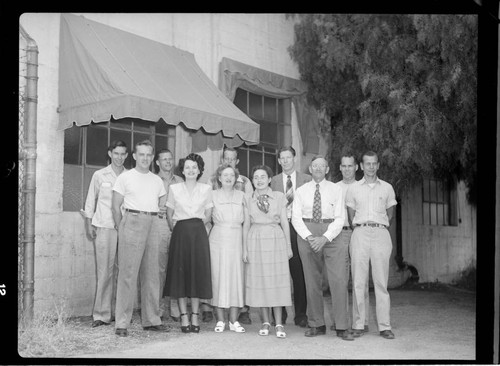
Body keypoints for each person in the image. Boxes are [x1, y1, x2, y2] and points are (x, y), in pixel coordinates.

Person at [291, 155, 354, 341]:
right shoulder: (301, 191)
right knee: (311, 281)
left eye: (322, 166)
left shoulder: (336, 190)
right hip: (307, 233)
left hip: (332, 233)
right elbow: (295, 217)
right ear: (310, 169)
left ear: (327, 170)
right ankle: (316, 324)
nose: (318, 168)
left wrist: (325, 237)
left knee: (339, 280)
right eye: (315, 166)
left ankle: (342, 326)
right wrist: (310, 236)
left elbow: (340, 217)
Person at [111, 140, 170, 337]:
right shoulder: (125, 177)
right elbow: (115, 206)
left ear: (152, 157)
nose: (145, 158)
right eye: (141, 154)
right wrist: (122, 228)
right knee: (128, 274)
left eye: (148, 155)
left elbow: (161, 202)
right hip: (132, 221)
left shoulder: (157, 181)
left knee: (152, 274)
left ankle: (151, 320)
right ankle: (122, 323)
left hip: (153, 223)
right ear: (135, 156)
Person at [346, 151, 397, 340]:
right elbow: (351, 215)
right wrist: (361, 226)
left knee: (381, 282)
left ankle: (385, 326)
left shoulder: (387, 188)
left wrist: (379, 225)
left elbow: (390, 213)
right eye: (367, 163)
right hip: (360, 233)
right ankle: (359, 324)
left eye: (374, 163)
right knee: (358, 281)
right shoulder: (354, 189)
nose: (371, 167)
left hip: (380, 233)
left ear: (378, 165)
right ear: (361, 165)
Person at [164, 153, 213, 333]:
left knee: (196, 275)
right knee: (181, 276)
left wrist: (199, 227)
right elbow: (169, 213)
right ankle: (184, 315)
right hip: (181, 233)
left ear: (199, 170)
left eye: (194, 167)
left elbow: (208, 214)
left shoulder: (206, 189)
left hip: (198, 232)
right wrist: (176, 229)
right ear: (183, 170)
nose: (191, 170)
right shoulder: (174, 188)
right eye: (188, 167)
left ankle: (195, 314)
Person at [82, 140, 128, 328]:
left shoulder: (130, 176)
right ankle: (101, 314)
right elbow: (90, 200)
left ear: (126, 156)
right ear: (110, 153)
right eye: (116, 153)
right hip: (104, 227)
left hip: (125, 229)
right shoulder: (99, 175)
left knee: (124, 272)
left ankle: (121, 313)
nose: (119, 157)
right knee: (105, 272)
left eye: (122, 154)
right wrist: (89, 223)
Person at [244, 165, 292, 338]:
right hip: (255, 239)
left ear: (270, 179)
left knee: (276, 281)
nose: (259, 180)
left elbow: (285, 223)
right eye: (255, 177)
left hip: (275, 238)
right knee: (261, 281)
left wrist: (288, 246)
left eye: (263, 177)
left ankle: (278, 323)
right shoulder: (248, 198)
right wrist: (245, 248)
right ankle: (265, 321)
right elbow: (246, 224)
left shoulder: (279, 197)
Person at [206, 146, 254, 325]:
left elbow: (247, 222)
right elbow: (205, 218)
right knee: (218, 277)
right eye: (225, 175)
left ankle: (234, 321)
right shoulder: (211, 194)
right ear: (219, 178)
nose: (228, 178)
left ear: (236, 178)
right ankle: (220, 320)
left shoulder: (243, 195)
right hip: (217, 240)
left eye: (231, 176)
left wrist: (245, 248)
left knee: (236, 278)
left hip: (236, 240)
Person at [270, 146, 311, 328]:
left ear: (294, 159)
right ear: (278, 161)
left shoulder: (306, 180)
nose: (286, 161)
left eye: (289, 157)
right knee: (277, 272)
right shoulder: (272, 181)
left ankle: (301, 314)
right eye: (282, 158)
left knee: (299, 272)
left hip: (299, 229)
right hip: (278, 229)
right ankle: (280, 313)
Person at [336, 154, 370, 333]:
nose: (347, 169)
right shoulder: (334, 188)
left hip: (358, 233)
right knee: (340, 279)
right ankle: (341, 320)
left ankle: (361, 321)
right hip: (340, 235)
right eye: (344, 166)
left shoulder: (363, 187)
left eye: (350, 166)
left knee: (360, 279)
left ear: (357, 167)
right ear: (340, 168)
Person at [155, 149, 183, 322]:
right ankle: (158, 308)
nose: (167, 162)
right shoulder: (152, 180)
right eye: (163, 159)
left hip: (177, 226)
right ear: (157, 162)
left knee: (176, 267)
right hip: (158, 226)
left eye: (169, 159)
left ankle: (175, 308)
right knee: (159, 268)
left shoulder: (180, 181)